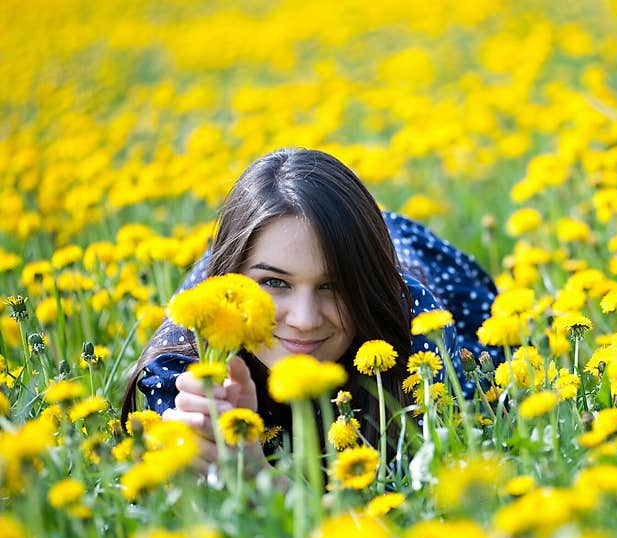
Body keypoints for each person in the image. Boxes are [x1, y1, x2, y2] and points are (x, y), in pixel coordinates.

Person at [120, 147, 502, 479]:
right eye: (275, 283)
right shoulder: (187, 356)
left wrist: (260, 478)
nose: (304, 320)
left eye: (332, 286)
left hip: (395, 252)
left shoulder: (415, 329)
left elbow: (411, 509)